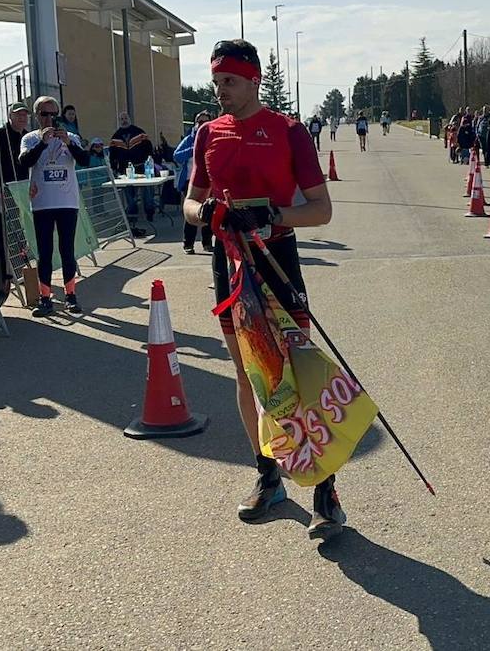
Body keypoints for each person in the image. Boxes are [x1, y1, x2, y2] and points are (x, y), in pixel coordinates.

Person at [182, 39, 340, 539]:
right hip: (229, 262)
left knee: (298, 369)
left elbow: (321, 209)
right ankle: (268, 475)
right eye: (216, 81)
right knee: (249, 372)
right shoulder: (208, 131)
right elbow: (190, 202)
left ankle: (324, 489)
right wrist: (204, 213)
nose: (221, 90)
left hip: (277, 259)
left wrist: (275, 214)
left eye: (229, 81)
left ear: (253, 81)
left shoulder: (288, 132)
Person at [19, 96, 88, 317]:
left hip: (67, 202)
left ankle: (71, 296)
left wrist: (67, 142)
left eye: (53, 114)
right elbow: (25, 162)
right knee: (45, 252)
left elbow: (85, 160)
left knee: (67, 250)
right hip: (42, 203)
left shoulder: (71, 137)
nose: (49, 119)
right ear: (37, 116)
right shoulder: (30, 138)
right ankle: (45, 298)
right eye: (44, 114)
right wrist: (43, 143)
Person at [175, 110, 214, 254]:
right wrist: (194, 149)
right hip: (190, 182)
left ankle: (207, 243)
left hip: (209, 183)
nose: (202, 124)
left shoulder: (214, 136)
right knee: (191, 213)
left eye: (205, 121)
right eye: (199, 122)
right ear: (195, 124)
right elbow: (177, 156)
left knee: (209, 212)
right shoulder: (189, 139)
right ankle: (188, 244)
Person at [111, 112, 157, 233]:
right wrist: (113, 168)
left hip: (142, 168)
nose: (124, 120)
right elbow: (112, 155)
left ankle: (150, 213)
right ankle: (132, 216)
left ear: (129, 119)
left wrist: (149, 159)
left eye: (126, 118)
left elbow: (149, 147)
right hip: (125, 171)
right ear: (119, 121)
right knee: (130, 196)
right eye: (121, 119)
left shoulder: (139, 132)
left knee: (147, 193)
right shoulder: (116, 136)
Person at [0, 102, 31, 183]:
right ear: (9, 116)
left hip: (26, 182)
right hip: (6, 183)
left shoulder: (29, 136)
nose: (22, 117)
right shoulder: (0, 135)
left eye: (25, 115)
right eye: (18, 114)